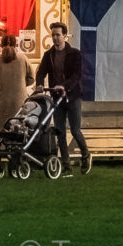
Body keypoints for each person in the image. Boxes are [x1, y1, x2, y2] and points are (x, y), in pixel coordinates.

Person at [33, 18, 90, 174]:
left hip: (72, 96)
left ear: (65, 36)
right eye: (53, 35)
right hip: (56, 98)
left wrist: (64, 86)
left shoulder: (74, 54)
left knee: (75, 130)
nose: (55, 38)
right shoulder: (49, 55)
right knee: (59, 132)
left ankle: (85, 154)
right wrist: (39, 84)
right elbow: (41, 72)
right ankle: (66, 165)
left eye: (58, 35)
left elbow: (77, 75)